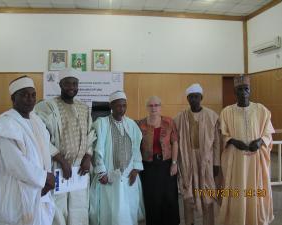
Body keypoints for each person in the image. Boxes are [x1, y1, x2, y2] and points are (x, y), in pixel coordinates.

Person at [0, 76, 55, 225]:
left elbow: (44, 153)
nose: (29, 99)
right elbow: (15, 164)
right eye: (24, 95)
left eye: (33, 95)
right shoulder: (5, 124)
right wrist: (44, 178)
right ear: (13, 98)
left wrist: (45, 180)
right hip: (15, 189)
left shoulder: (36, 121)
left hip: (38, 188)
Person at [35, 68, 96, 225]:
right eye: (67, 83)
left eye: (75, 83)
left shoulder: (84, 108)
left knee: (79, 208)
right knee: (58, 208)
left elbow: (91, 134)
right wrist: (62, 161)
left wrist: (88, 157)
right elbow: (40, 137)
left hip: (80, 169)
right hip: (57, 166)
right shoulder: (47, 107)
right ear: (60, 84)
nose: (72, 87)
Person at [219, 75, 275, 225]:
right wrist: (232, 140)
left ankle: (255, 220)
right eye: (239, 90)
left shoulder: (261, 110)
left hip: (256, 159)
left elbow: (268, 132)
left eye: (246, 89)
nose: (243, 92)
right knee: (238, 190)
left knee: (257, 189)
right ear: (234, 92)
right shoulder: (226, 112)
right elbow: (223, 134)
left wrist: (261, 141)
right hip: (236, 160)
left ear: (250, 91)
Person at [89, 90, 145, 225]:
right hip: (108, 176)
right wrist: (102, 172)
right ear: (111, 106)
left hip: (128, 175)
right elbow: (97, 150)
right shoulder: (101, 123)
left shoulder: (132, 125)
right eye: (118, 106)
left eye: (124, 105)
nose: (122, 109)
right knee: (110, 211)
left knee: (127, 210)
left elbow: (136, 148)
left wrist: (136, 169)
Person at [174, 83, 220, 225]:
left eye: (196, 97)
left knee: (208, 194)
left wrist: (216, 163)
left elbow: (218, 143)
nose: (194, 99)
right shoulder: (179, 118)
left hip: (206, 160)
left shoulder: (212, 116)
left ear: (201, 98)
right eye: (191, 97)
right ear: (187, 99)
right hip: (188, 161)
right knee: (189, 194)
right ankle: (189, 222)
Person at [138, 96, 180, 225]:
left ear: (160, 107)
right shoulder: (141, 124)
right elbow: (137, 146)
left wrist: (174, 163)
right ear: (147, 108)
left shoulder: (169, 122)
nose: (153, 108)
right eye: (150, 105)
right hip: (148, 166)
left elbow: (175, 143)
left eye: (156, 105)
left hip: (166, 164)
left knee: (169, 196)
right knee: (151, 197)